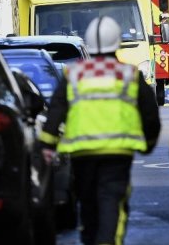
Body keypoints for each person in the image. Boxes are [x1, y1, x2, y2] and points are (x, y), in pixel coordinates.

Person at [39, 16, 161, 245]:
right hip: (118, 153)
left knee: (88, 203)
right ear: (117, 42)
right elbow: (150, 113)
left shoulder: (73, 74)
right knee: (112, 201)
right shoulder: (130, 74)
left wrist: (47, 144)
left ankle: (91, 239)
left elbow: (56, 110)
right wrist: (150, 142)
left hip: (82, 153)